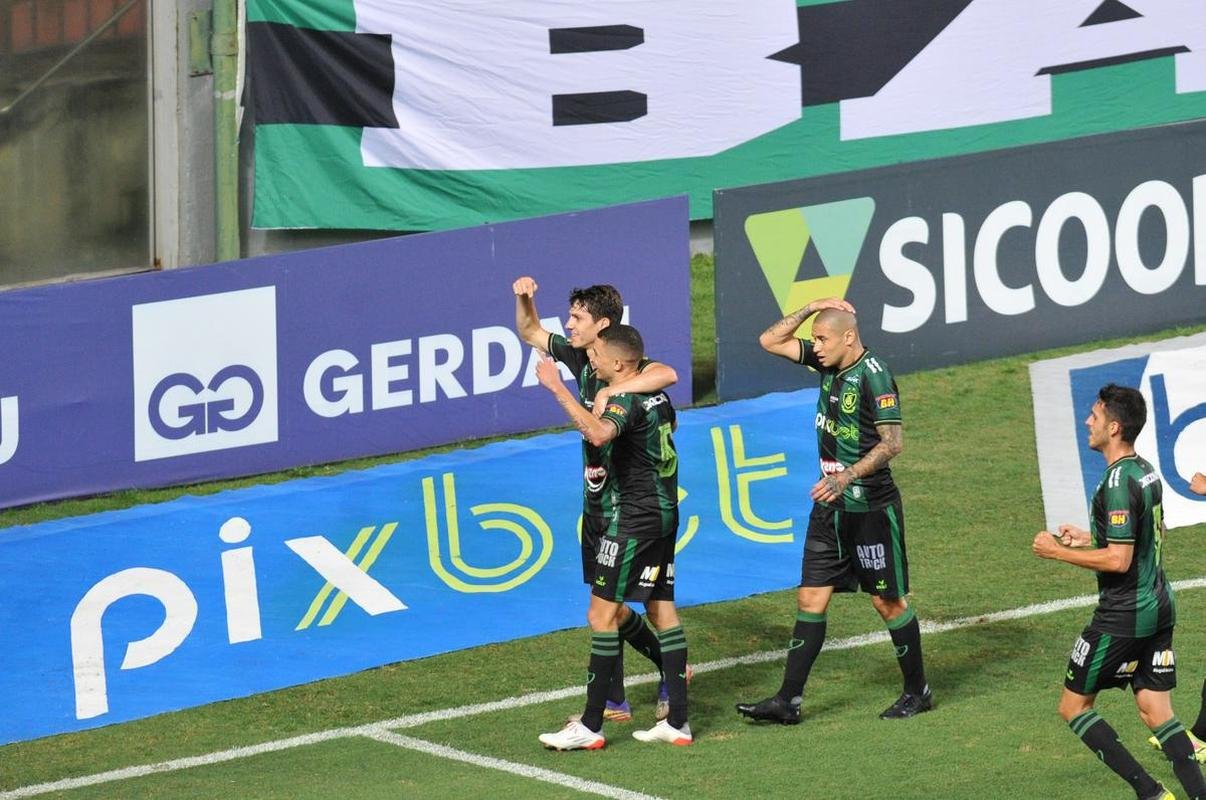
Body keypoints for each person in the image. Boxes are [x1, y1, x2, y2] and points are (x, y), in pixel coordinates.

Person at [735, 298, 931, 725]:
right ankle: (788, 700)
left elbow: (893, 443)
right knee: (810, 597)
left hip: (871, 510)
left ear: (849, 336)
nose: (816, 346)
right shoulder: (828, 364)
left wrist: (847, 477)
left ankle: (918, 691)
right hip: (830, 507)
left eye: (823, 339)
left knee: (887, 602)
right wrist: (812, 307)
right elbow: (770, 340)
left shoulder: (875, 378)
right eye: (814, 340)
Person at [513, 277, 677, 722]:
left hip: (634, 506)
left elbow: (667, 374)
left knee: (652, 603)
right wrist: (524, 297)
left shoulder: (622, 365)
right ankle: (616, 698)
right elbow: (528, 331)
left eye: (577, 318)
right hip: (598, 505)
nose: (567, 325)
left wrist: (614, 391)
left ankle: (671, 679)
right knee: (609, 604)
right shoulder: (582, 357)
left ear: (602, 324)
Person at [1032, 384, 1206, 800]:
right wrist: (1089, 537)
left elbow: (1119, 561)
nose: (1086, 422)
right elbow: (1152, 533)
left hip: (1124, 614)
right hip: (1160, 604)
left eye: (1094, 416)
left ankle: (1150, 793)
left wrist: (1056, 552)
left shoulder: (1116, 482)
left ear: (1113, 427)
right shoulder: (1145, 470)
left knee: (1073, 708)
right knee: (1156, 711)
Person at [535, 324, 691, 750]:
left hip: (632, 519)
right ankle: (678, 721)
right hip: (664, 512)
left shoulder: (624, 397)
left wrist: (557, 390)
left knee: (601, 616)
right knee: (662, 610)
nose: (593, 360)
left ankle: (590, 725)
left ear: (619, 363)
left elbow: (600, 433)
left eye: (599, 356)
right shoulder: (657, 394)